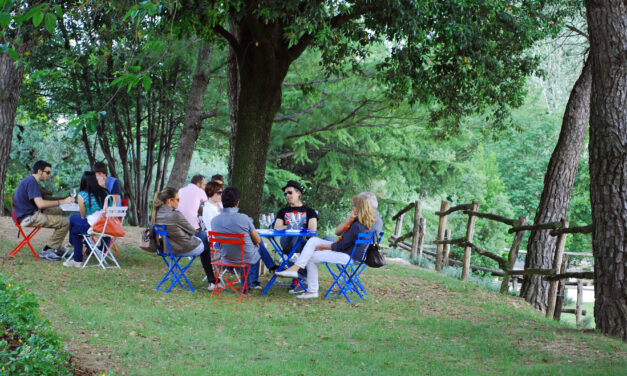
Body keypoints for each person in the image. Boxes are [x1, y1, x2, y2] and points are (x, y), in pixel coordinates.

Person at [275, 194, 377, 299]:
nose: (353, 207)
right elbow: (338, 233)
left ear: (361, 208)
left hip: (350, 256)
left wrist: (323, 247)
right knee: (314, 240)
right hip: (351, 253)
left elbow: (340, 246)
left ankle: (312, 291)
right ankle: (296, 268)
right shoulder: (365, 223)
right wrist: (350, 218)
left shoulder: (357, 226)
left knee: (313, 257)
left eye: (355, 205)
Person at [211, 187, 277, 290]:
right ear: (237, 203)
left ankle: (254, 280)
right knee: (256, 246)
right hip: (244, 258)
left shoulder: (214, 221)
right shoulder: (244, 218)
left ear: (222, 201)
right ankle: (250, 283)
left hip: (225, 257)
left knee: (246, 247)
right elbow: (258, 240)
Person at [153, 187, 219, 290]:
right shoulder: (175, 214)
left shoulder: (157, 214)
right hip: (182, 248)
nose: (179, 203)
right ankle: (213, 280)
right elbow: (192, 231)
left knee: (203, 237)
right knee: (204, 236)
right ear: (169, 201)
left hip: (166, 248)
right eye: (177, 200)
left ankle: (213, 281)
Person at [12, 160, 75, 261]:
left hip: (29, 213)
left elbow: (41, 202)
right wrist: (62, 201)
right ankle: (47, 250)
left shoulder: (31, 181)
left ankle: (56, 245)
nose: (49, 175)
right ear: (39, 171)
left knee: (61, 212)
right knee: (66, 222)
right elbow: (40, 204)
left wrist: (62, 201)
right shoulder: (31, 182)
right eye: (48, 172)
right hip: (27, 218)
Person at [273, 180, 318, 293]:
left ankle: (300, 277)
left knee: (296, 239)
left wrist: (290, 227)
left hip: (303, 244)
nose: (287, 195)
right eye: (285, 194)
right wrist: (290, 226)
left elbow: (312, 229)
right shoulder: (283, 211)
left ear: (298, 193)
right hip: (286, 243)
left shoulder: (309, 211)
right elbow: (277, 226)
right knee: (290, 242)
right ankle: (303, 278)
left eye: (290, 192)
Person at [176, 174, 217, 286]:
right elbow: (208, 205)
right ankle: (212, 280)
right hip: (191, 232)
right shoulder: (200, 192)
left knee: (204, 241)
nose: (204, 187)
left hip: (177, 232)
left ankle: (212, 280)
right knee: (205, 242)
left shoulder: (181, 190)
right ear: (198, 184)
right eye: (204, 184)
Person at [65, 172, 109, 267]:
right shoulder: (105, 192)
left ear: (83, 182)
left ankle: (77, 258)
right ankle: (99, 253)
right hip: (107, 226)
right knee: (75, 222)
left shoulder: (82, 195)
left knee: (73, 223)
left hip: (92, 226)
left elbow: (83, 215)